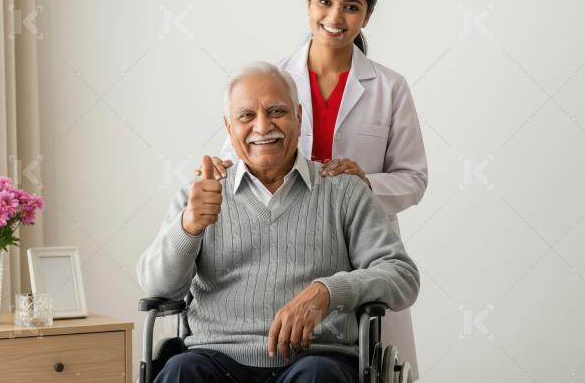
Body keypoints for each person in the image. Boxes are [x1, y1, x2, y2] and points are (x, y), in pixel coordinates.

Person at [206, 0, 428, 377]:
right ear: (308, 3)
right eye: (325, 2)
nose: (335, 17)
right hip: (288, 242)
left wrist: (364, 183)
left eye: (351, 7)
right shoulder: (276, 80)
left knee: (357, 362)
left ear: (368, 14)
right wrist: (211, 178)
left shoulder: (390, 87)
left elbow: (414, 179)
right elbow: (240, 153)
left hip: (358, 242)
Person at [138, 62, 419, 382]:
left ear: (299, 118)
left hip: (315, 357)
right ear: (229, 127)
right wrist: (188, 228)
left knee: (319, 376)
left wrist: (328, 291)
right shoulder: (201, 193)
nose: (262, 126)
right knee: (181, 371)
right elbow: (156, 287)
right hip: (215, 357)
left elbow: (402, 276)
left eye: (276, 111)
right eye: (246, 116)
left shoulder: (343, 191)